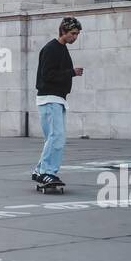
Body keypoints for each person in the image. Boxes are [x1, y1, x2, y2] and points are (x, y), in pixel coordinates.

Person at [31, 16, 84, 189]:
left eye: (77, 34)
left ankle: (39, 170)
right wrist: (71, 73)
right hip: (50, 98)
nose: (75, 37)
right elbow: (47, 75)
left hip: (55, 98)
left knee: (52, 138)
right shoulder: (51, 49)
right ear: (63, 31)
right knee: (57, 137)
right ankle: (47, 172)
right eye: (73, 33)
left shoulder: (60, 48)